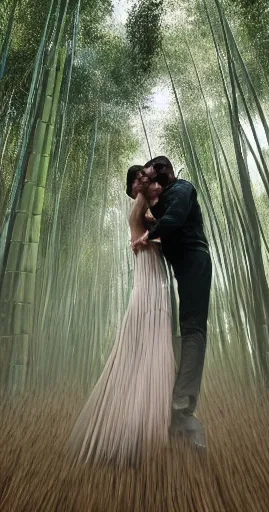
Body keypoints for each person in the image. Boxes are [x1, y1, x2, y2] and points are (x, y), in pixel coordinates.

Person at [69, 166, 175, 465]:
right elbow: (152, 236)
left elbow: (160, 234)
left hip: (156, 290)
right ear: (132, 188)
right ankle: (131, 441)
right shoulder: (135, 216)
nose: (147, 181)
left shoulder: (148, 218)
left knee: (152, 359)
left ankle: (145, 439)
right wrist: (153, 233)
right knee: (146, 358)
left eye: (147, 178)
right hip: (148, 292)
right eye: (140, 179)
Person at [132, 156, 211, 449]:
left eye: (152, 178)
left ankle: (183, 402)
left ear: (163, 174)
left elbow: (174, 220)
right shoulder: (163, 198)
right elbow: (159, 217)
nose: (151, 185)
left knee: (193, 330)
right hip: (180, 269)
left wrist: (147, 236)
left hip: (195, 262)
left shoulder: (182, 190)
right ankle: (176, 397)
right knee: (182, 329)